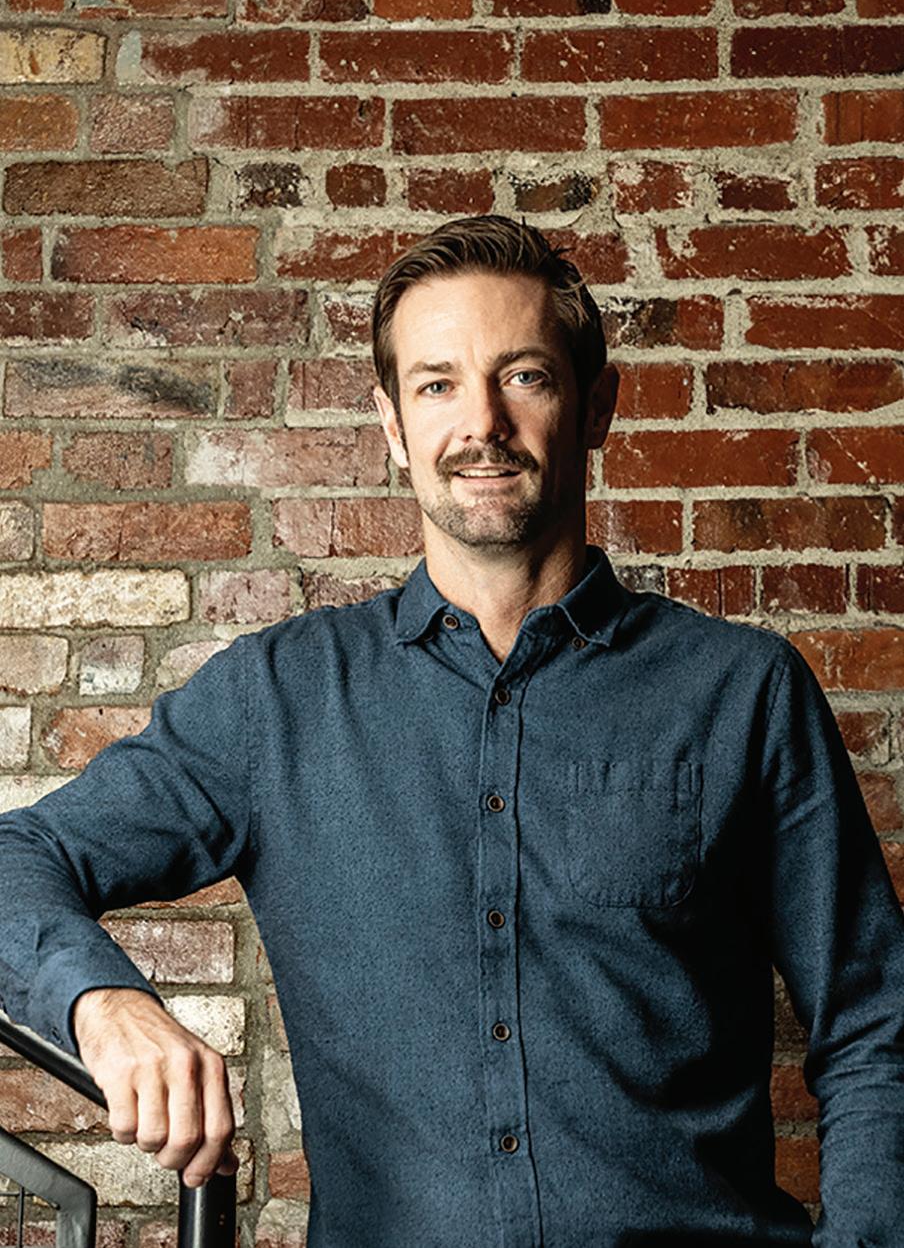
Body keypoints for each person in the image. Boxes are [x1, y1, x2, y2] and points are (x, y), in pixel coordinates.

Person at [0, 213, 901, 1247]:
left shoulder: (742, 691)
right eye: (437, 384)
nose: (482, 423)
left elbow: (875, 1023)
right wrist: (102, 1004)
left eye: (524, 376)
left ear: (596, 406)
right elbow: (16, 858)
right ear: (392, 426)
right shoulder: (276, 699)